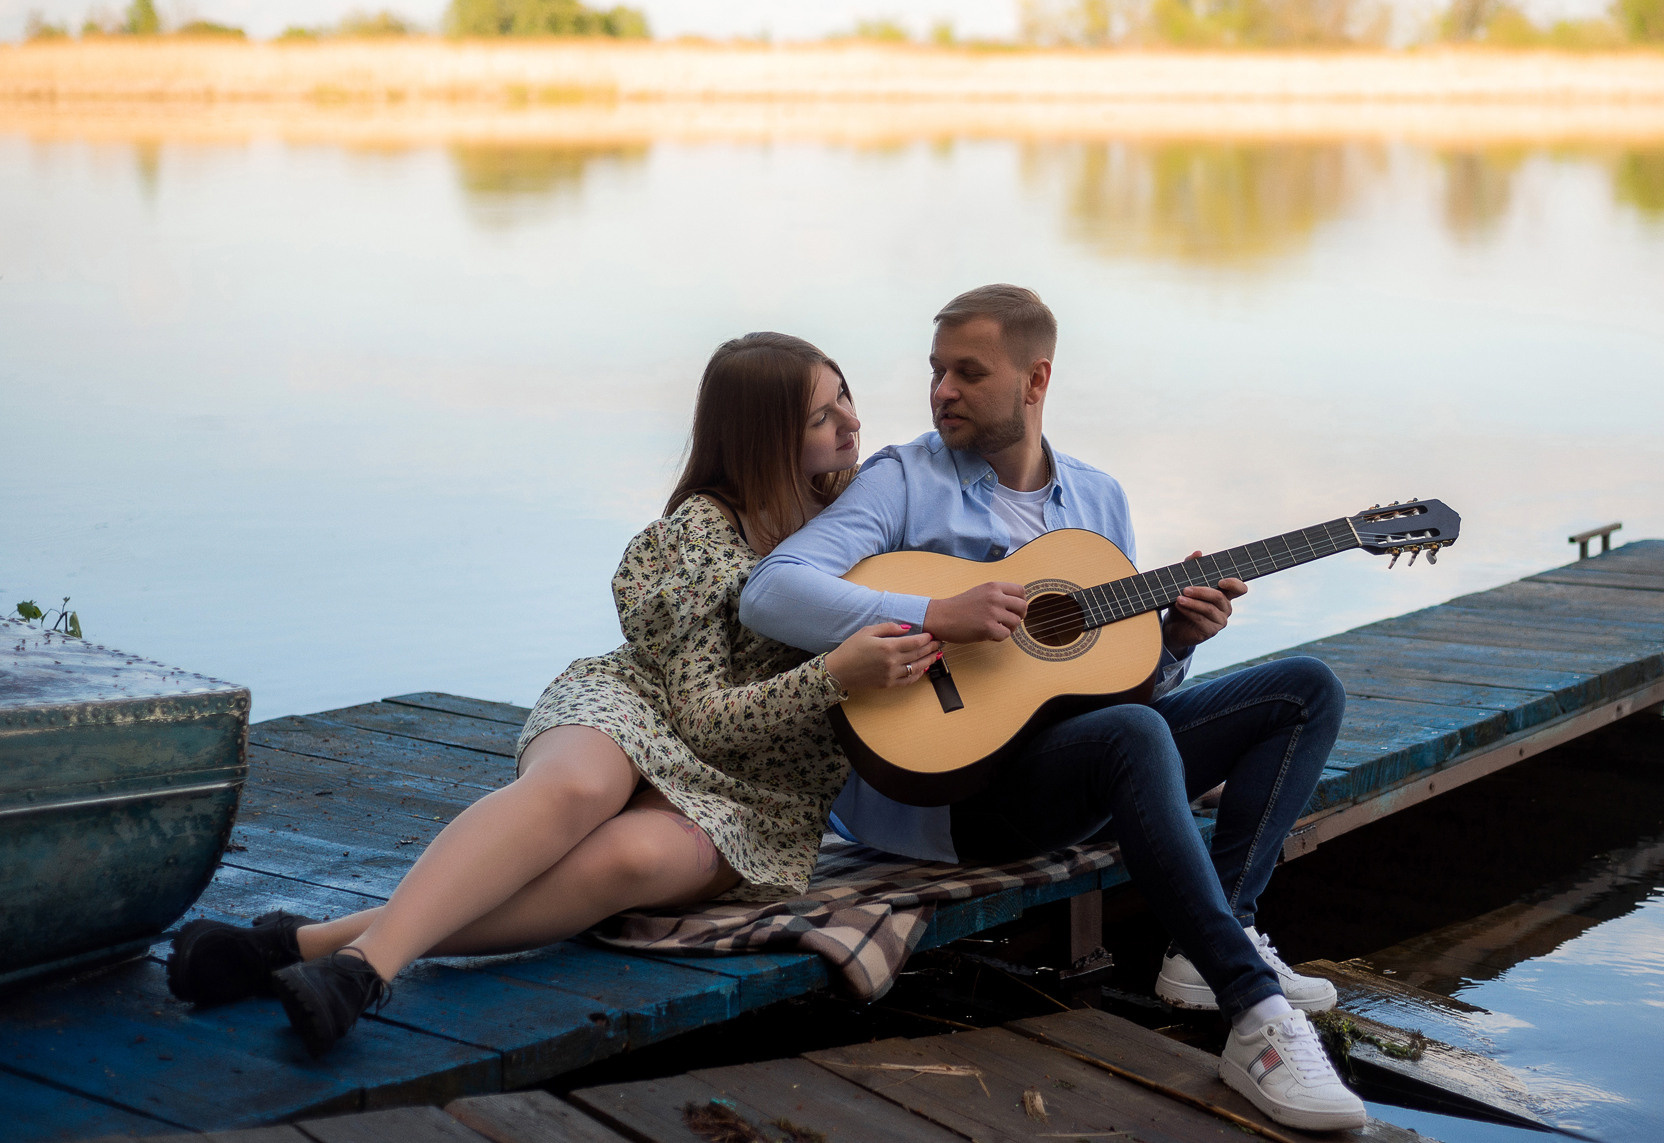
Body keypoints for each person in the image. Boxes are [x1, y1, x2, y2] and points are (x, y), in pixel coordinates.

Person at [164, 333, 940, 1055]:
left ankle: (301, 948)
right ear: (762, 436)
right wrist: (834, 673)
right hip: (642, 705)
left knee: (627, 860)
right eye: (821, 414)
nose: (852, 421)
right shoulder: (701, 533)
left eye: (845, 397)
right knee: (576, 787)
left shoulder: (861, 508)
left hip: (757, 791)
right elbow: (702, 717)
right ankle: (365, 974)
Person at [739, 286, 1367, 1132]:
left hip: (1068, 765)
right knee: (1134, 734)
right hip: (946, 792)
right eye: (936, 371)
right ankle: (1254, 1015)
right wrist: (936, 613)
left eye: (968, 372)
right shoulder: (903, 478)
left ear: (1035, 380)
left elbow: (1106, 681)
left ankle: (1214, 939)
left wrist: (1176, 642)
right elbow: (770, 590)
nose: (940, 392)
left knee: (1304, 689)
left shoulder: (1097, 503)